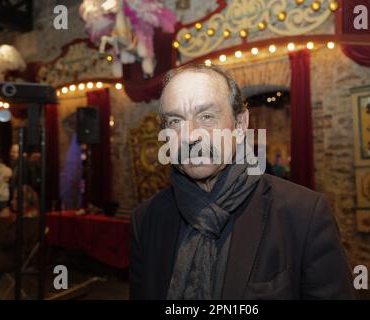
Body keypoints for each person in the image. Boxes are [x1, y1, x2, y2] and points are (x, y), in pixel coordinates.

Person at [129, 64, 355, 300]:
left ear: (240, 124)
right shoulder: (145, 221)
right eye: (175, 121)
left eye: (206, 116)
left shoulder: (304, 214)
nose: (189, 135)